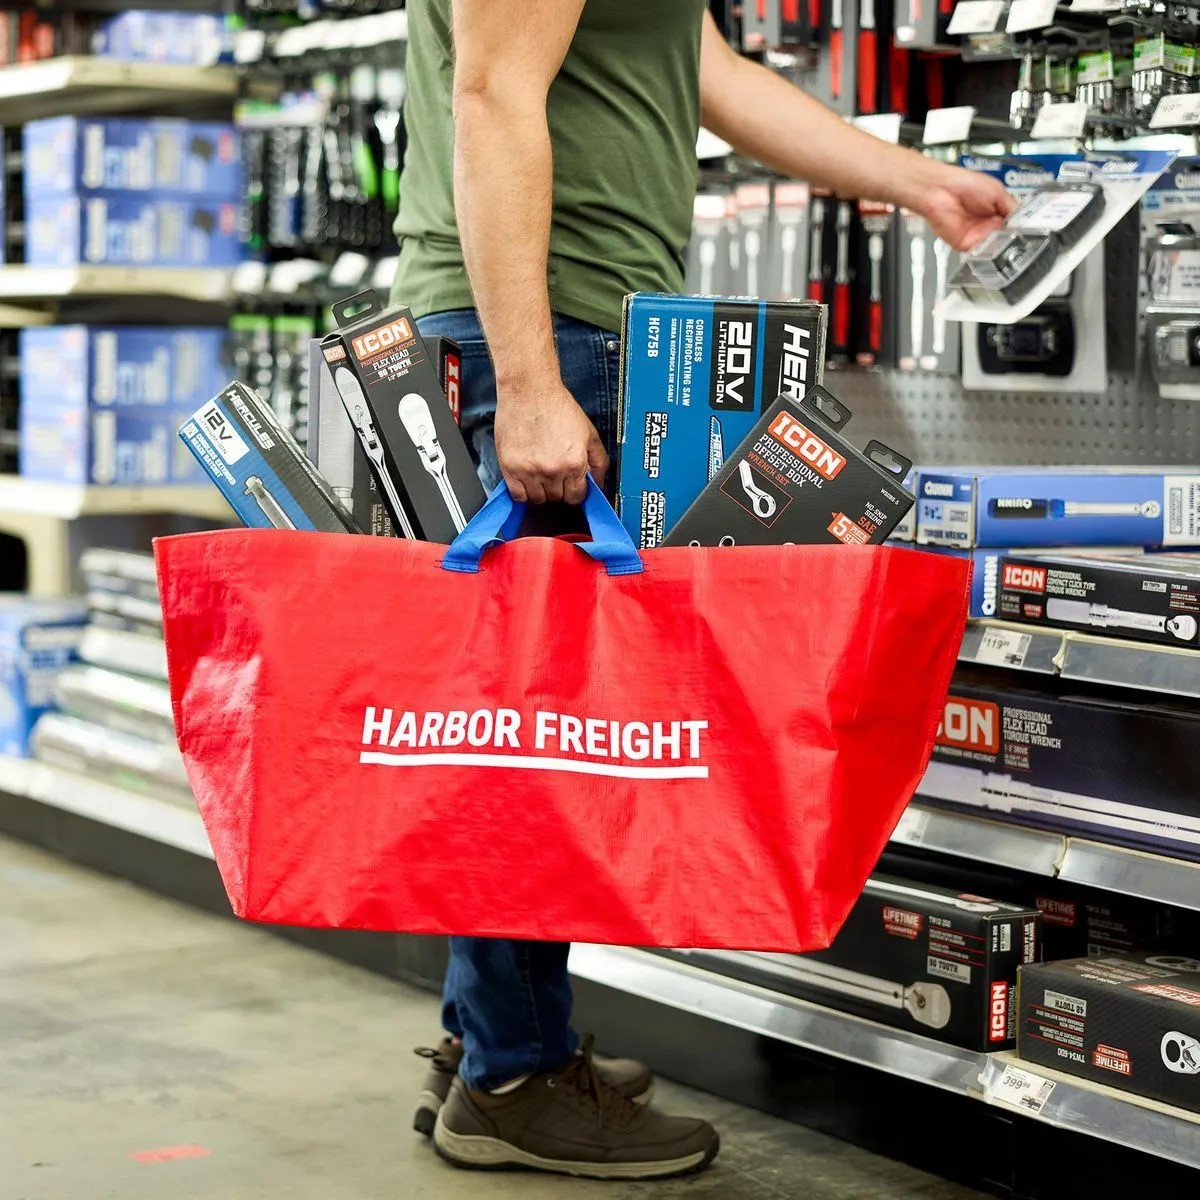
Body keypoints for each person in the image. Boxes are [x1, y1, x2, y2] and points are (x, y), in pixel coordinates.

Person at [393, 0, 1014, 1181]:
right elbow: (490, 93)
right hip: (550, 322)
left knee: (540, 709)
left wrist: (917, 182)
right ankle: (514, 1078)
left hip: (585, 318)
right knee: (536, 731)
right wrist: (529, 380)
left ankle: (492, 1036)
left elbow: (709, 68)